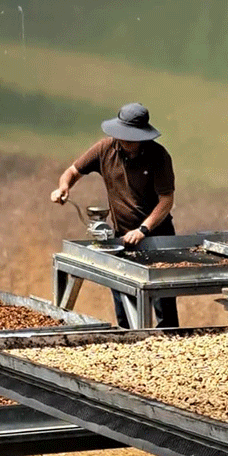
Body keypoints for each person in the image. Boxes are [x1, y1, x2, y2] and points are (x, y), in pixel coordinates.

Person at [51, 102, 179, 328]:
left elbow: (166, 201)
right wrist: (63, 187)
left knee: (163, 306)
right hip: (121, 239)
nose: (125, 142)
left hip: (157, 238)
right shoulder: (105, 149)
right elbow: (72, 171)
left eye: (131, 138)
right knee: (124, 305)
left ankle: (168, 345)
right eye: (122, 136)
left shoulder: (159, 156)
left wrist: (143, 230)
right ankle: (131, 345)